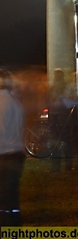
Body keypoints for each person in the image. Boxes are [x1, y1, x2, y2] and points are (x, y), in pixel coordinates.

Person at [0, 70, 25, 226]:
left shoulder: (1, 102)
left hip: (4, 153)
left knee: (3, 195)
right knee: (11, 194)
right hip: (16, 152)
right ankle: (14, 224)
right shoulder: (14, 100)